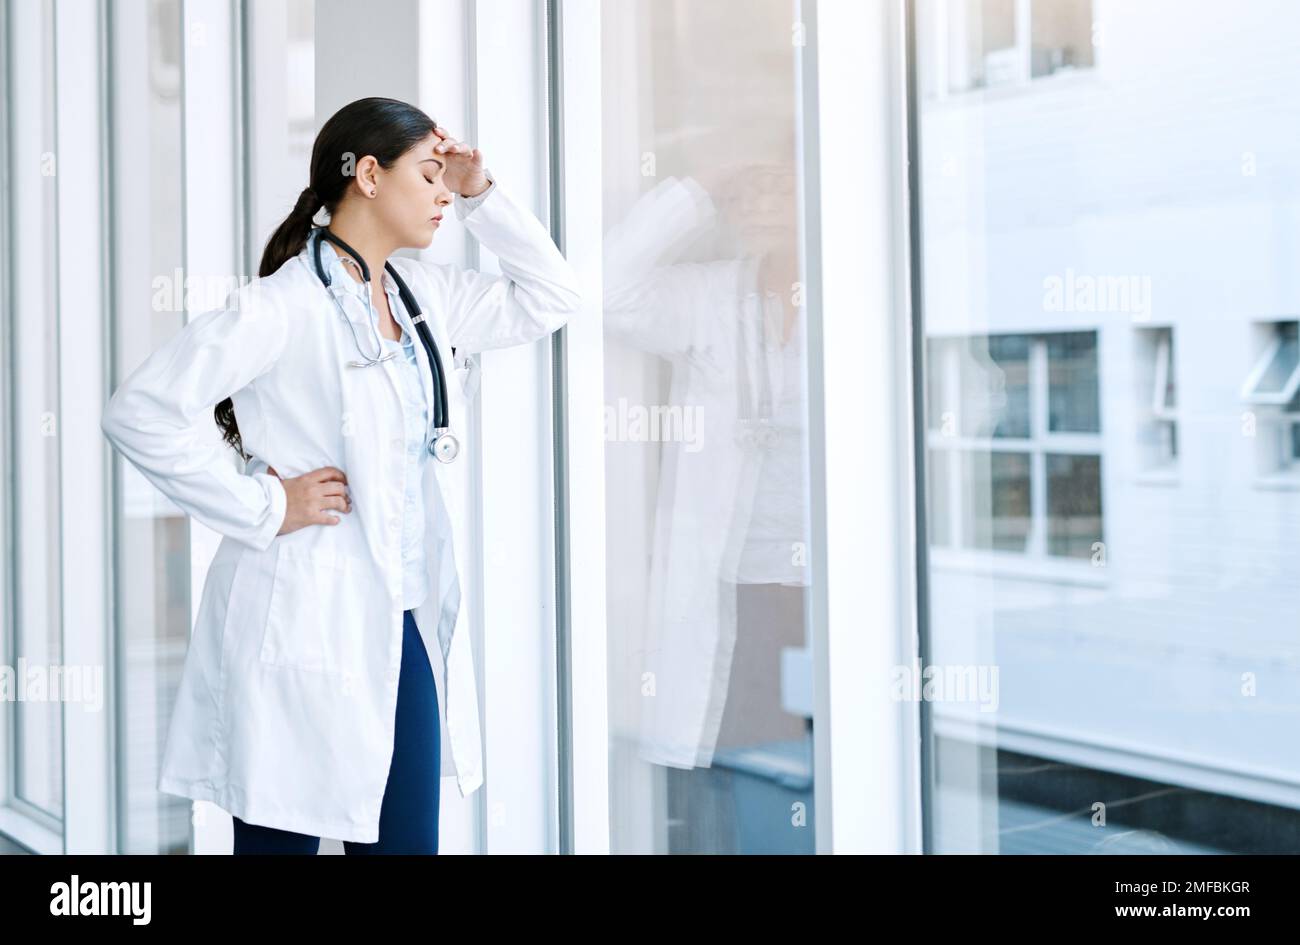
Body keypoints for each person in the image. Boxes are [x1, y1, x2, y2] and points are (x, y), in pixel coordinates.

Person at [100, 96, 583, 854]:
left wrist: (483, 189)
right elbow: (140, 411)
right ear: (366, 174)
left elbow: (554, 296)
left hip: (401, 621)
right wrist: (264, 503)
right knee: (278, 849)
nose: (442, 195)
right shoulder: (283, 306)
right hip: (298, 617)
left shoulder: (429, 299)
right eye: (429, 174)